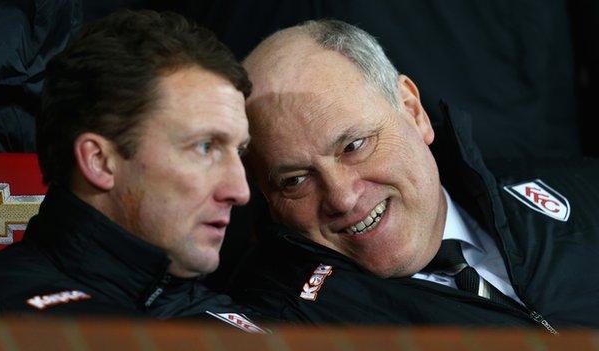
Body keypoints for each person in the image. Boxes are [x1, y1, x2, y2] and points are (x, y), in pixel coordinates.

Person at [229, 20, 599, 331]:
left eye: (354, 146)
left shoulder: (584, 190)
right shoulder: (290, 326)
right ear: (265, 194)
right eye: (295, 180)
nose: (341, 197)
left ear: (412, 110)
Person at [0, 9, 266, 332]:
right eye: (205, 147)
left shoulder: (239, 323)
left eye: (239, 151)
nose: (240, 191)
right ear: (99, 161)